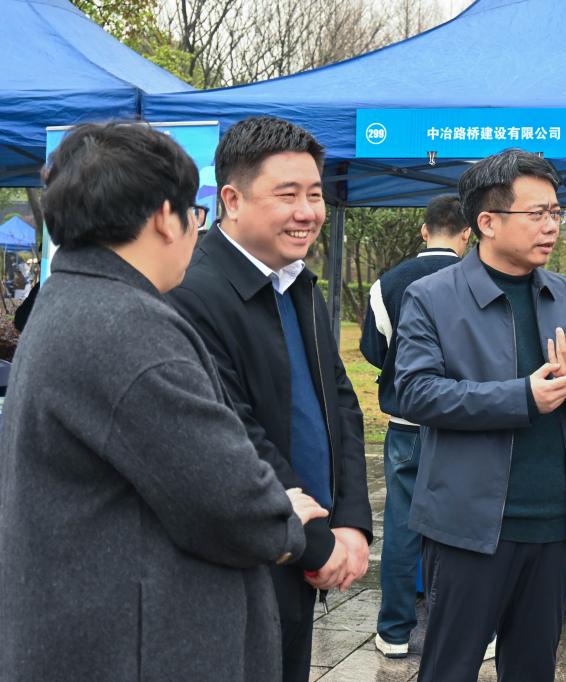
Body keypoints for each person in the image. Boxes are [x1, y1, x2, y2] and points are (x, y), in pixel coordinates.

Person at [0, 122, 327, 681]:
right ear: (163, 217)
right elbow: (224, 496)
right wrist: (284, 519)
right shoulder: (126, 327)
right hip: (137, 647)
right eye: (194, 214)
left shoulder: (70, 298)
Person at [395, 148, 566, 682]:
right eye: (537, 213)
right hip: (468, 526)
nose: (552, 226)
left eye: (556, 212)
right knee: (449, 668)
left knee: (533, 668)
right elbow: (416, 393)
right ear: (487, 222)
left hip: (553, 523)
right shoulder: (431, 296)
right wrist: (522, 397)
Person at [168, 116, 372, 682]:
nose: (307, 212)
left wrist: (353, 522)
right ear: (232, 200)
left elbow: (340, 403)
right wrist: (317, 544)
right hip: (243, 560)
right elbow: (233, 432)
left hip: (306, 550)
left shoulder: (297, 281)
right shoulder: (192, 290)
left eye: (315, 194)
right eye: (287, 195)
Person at [359, 194, 472, 658]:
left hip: (406, 423)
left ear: (424, 231)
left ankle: (394, 631)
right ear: (468, 234)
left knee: (402, 528)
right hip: (464, 424)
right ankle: (472, 633)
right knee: (465, 531)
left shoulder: (387, 283)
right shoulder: (479, 280)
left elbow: (373, 350)